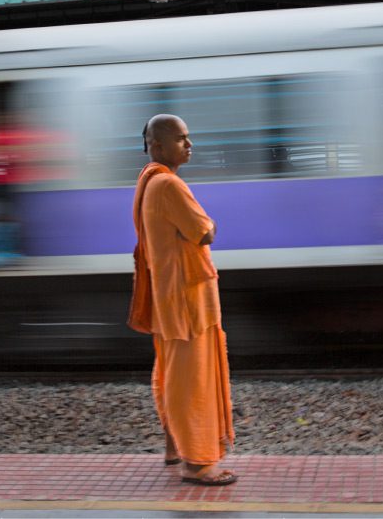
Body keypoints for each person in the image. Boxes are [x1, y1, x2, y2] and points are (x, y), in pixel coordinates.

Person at [127, 114, 236, 486]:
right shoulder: (169, 185)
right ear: (157, 146)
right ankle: (199, 463)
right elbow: (203, 231)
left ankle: (174, 446)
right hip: (189, 300)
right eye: (181, 139)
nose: (189, 145)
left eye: (189, 138)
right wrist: (211, 225)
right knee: (193, 382)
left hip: (168, 297)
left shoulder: (148, 183)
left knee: (171, 375)